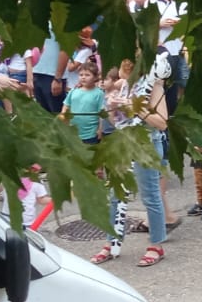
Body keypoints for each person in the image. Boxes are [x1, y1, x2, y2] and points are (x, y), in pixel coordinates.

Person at [91, 50, 174, 267]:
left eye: (124, 67)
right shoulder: (125, 85)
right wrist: (112, 108)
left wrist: (136, 109)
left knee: (150, 194)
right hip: (123, 141)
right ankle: (112, 241)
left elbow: (162, 122)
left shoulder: (154, 86)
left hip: (147, 143)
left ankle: (156, 244)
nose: (120, 72)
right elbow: (117, 121)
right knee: (115, 193)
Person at [60, 62, 107, 144]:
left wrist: (100, 129)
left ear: (95, 77)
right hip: (73, 132)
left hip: (90, 134)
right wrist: (63, 118)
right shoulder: (73, 91)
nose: (83, 77)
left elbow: (101, 113)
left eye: (87, 75)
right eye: (81, 75)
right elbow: (66, 105)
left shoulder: (99, 93)